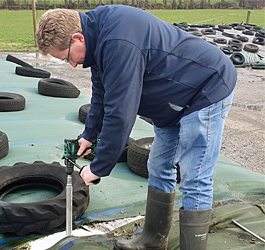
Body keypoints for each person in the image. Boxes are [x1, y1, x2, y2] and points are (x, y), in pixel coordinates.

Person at [36, 5, 236, 250]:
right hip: (171, 100)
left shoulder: (119, 41)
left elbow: (121, 112)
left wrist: (98, 168)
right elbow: (101, 94)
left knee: (194, 176)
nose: (72, 65)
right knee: (158, 165)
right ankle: (152, 239)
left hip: (205, 89)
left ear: (77, 38)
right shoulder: (97, 36)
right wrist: (89, 135)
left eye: (67, 57)